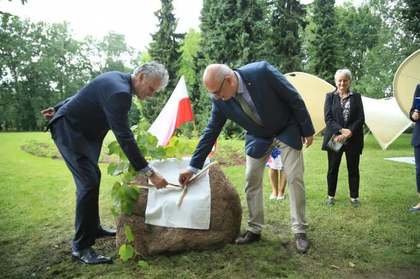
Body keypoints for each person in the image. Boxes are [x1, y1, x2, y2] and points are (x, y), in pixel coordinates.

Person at [178, 61, 315, 253]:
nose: (215, 97)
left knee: (294, 177)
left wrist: (307, 130)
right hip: (258, 136)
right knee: (251, 179)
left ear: (229, 81)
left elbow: (293, 97)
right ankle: (254, 229)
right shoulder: (220, 100)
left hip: (286, 128)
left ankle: (299, 231)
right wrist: (192, 167)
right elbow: (211, 132)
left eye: (216, 92)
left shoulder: (262, 72)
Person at [41, 62, 169, 264]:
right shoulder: (120, 93)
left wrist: (58, 107)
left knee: (92, 179)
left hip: (81, 133)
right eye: (152, 88)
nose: (152, 94)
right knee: (88, 183)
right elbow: (124, 136)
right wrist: (149, 172)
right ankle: (81, 247)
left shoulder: (116, 79)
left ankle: (93, 228)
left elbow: (84, 94)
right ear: (141, 77)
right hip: (70, 132)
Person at [321, 69, 365, 207]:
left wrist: (350, 132)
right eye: (339, 80)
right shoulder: (330, 97)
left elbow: (360, 118)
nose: (342, 83)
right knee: (333, 169)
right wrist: (341, 131)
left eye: (345, 80)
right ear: (336, 81)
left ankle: (354, 198)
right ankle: (330, 196)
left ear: (349, 81)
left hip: (353, 139)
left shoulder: (356, 97)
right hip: (335, 138)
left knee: (353, 169)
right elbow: (328, 118)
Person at [409, 84, 420, 212]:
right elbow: (412, 111)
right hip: (419, 137)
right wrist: (414, 115)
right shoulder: (419, 87)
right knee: (419, 171)